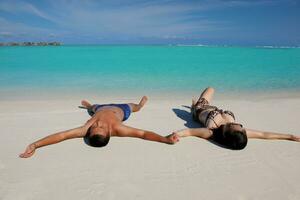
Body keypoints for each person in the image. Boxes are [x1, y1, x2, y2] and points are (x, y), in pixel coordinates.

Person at [20, 96, 179, 158]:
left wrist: (35, 145)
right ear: (109, 132)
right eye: (100, 127)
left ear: (89, 133)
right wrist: (165, 139)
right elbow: (143, 134)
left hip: (101, 108)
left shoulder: (85, 129)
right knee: (134, 107)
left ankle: (89, 105)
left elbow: (61, 136)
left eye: (95, 127)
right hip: (121, 109)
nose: (98, 124)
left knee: (93, 109)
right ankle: (140, 104)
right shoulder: (118, 129)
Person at [173, 87, 300, 150]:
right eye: (243, 129)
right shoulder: (240, 132)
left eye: (240, 128)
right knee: (212, 88)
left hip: (202, 108)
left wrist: (176, 135)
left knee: (209, 90)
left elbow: (189, 132)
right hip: (215, 109)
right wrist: (290, 136)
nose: (243, 127)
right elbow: (264, 134)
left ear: (229, 132)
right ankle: (193, 105)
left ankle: (193, 108)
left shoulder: (211, 131)